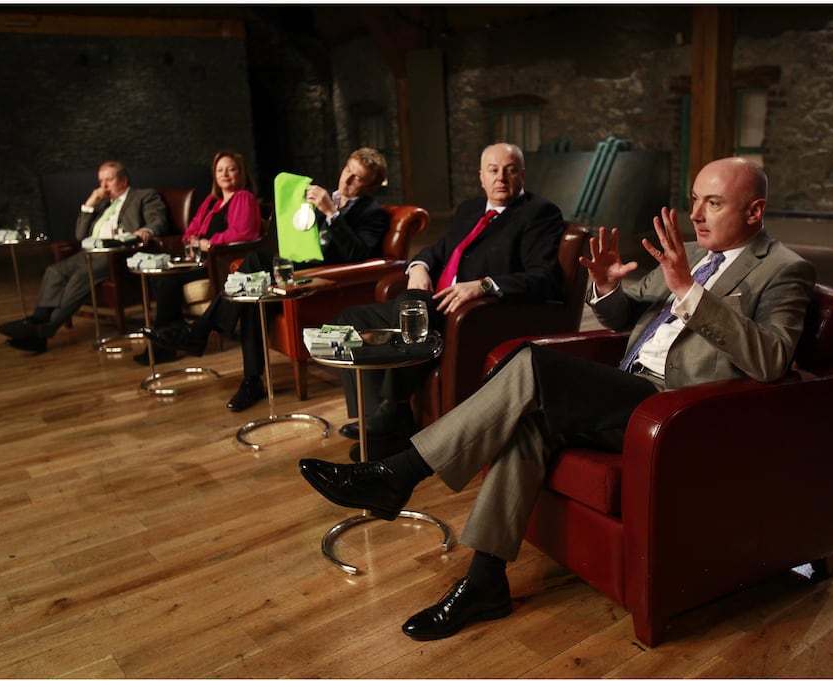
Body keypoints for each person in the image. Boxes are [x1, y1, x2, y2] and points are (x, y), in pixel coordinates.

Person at [297, 157, 817, 641]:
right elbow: (622, 317)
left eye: (713, 203)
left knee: (530, 362)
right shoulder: (695, 254)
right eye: (695, 200)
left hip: (677, 409)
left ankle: (400, 472)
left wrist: (689, 291)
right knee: (528, 423)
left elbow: (771, 359)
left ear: (755, 211)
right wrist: (606, 287)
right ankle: (485, 581)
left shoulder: (784, 269)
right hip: (628, 390)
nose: (696, 215)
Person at [332, 142, 566, 460]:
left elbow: (544, 276)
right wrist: (419, 266)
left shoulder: (539, 213)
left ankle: (391, 412)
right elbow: (438, 250)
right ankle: (383, 419)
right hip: (432, 302)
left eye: (510, 171)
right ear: (481, 176)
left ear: (522, 175)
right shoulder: (470, 209)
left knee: (414, 308)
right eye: (493, 170)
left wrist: (484, 285)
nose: (501, 178)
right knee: (348, 320)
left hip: (471, 312)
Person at [145, 147, 391, 411]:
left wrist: (332, 213)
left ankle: (200, 332)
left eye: (357, 177)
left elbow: (358, 255)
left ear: (371, 186)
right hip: (297, 267)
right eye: (347, 170)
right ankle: (251, 381)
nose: (347, 179)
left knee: (255, 262)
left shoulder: (372, 213)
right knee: (255, 295)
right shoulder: (327, 198)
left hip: (322, 279)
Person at [0, 161, 170, 353]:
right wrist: (89, 204)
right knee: (54, 271)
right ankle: (37, 321)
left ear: (123, 181)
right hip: (90, 251)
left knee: (81, 276)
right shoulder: (102, 203)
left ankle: (44, 329)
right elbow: (80, 235)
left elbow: (158, 221)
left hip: (116, 253)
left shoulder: (143, 195)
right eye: (101, 181)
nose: (103, 186)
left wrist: (146, 230)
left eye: (109, 180)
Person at [133, 150, 263, 365]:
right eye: (220, 170)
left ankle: (165, 346)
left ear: (241, 173)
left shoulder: (243, 197)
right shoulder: (212, 201)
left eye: (231, 169)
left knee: (167, 281)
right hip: (200, 262)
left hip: (221, 264)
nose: (225, 174)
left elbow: (243, 233)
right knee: (160, 276)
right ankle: (173, 337)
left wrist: (209, 243)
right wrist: (191, 239)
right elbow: (191, 229)